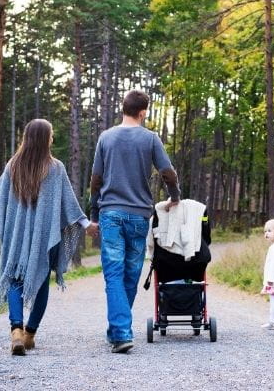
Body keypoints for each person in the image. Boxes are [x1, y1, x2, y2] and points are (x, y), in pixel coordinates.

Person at [0, 119, 98, 356]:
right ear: (43, 139)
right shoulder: (55, 167)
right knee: (41, 282)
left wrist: (12, 219)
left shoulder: (13, 166)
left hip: (17, 236)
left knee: (14, 280)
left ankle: (16, 330)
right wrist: (86, 224)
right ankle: (30, 333)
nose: (52, 139)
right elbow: (69, 204)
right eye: (50, 135)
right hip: (44, 238)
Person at [89, 90, 181, 353]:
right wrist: (175, 197)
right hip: (140, 215)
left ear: (123, 108)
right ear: (143, 112)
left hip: (111, 214)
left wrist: (94, 215)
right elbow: (168, 173)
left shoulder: (106, 137)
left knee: (114, 274)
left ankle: (119, 331)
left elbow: (96, 180)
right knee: (130, 273)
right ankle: (120, 331)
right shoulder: (150, 138)